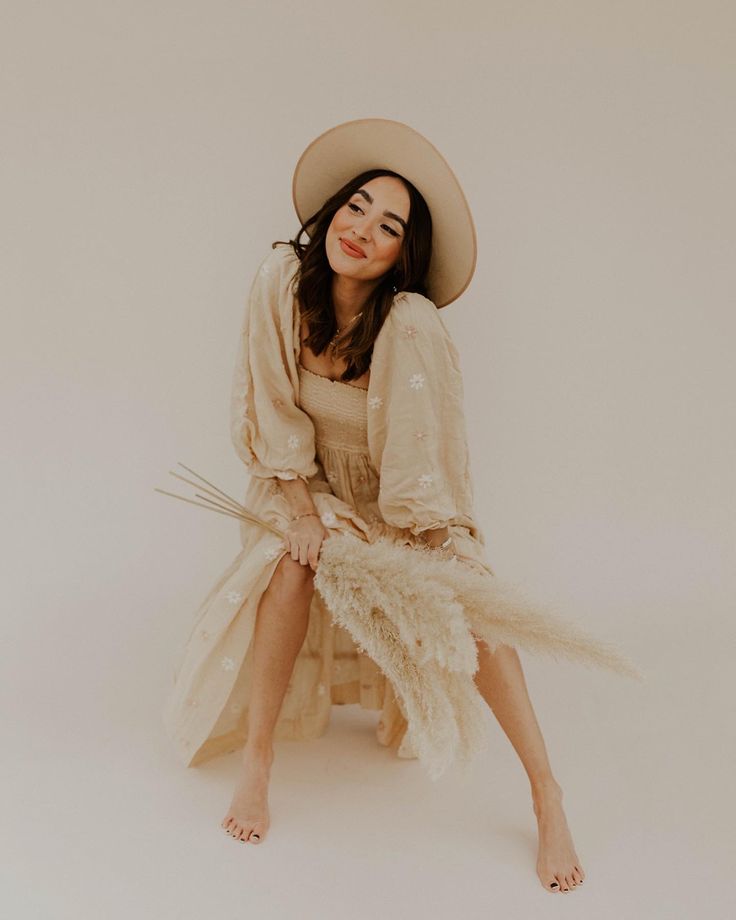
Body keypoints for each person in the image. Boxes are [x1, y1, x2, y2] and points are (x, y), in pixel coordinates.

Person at [164, 119, 585, 892]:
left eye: (388, 226)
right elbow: (270, 413)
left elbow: (422, 473)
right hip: (302, 484)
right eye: (356, 207)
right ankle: (257, 761)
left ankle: (546, 792)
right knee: (291, 569)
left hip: (406, 506)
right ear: (332, 212)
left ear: (403, 255)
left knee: (475, 616)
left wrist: (419, 555)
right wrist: (300, 510)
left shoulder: (410, 325)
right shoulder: (279, 283)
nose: (362, 230)